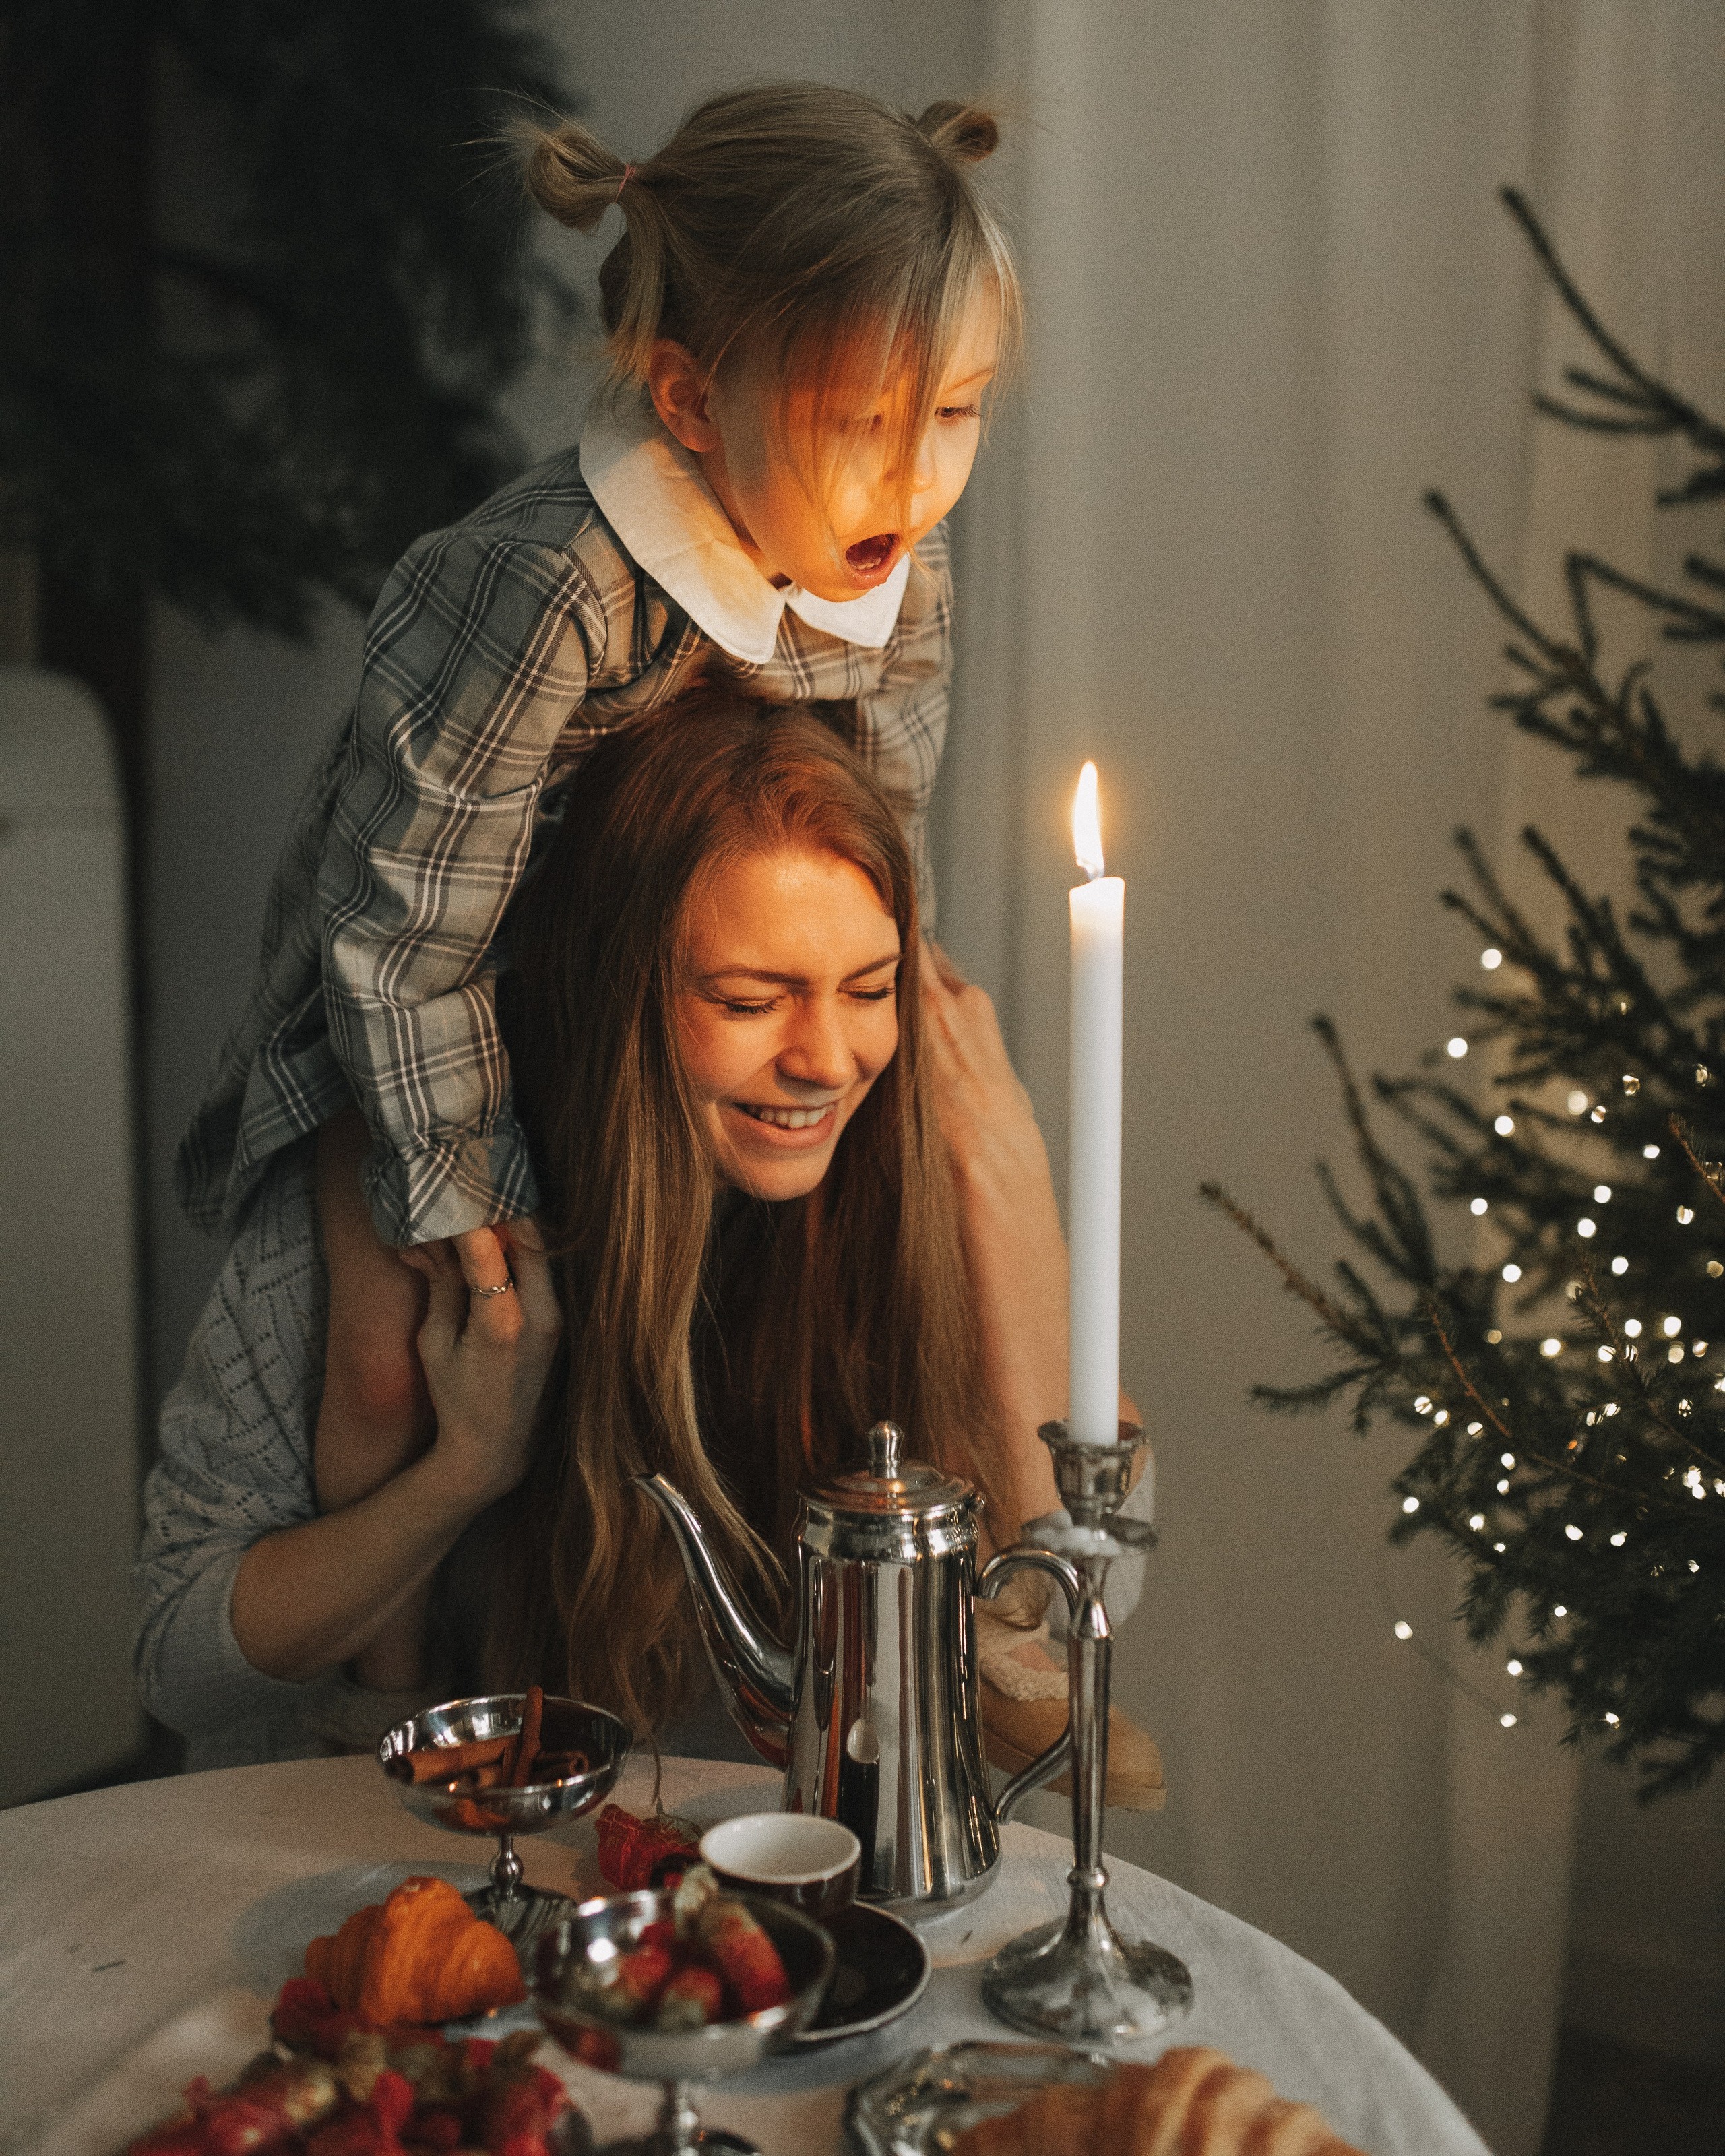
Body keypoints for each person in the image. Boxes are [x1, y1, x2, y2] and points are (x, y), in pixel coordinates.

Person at [171, 82, 1019, 1692]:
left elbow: (873, 827)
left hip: (657, 1019)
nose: (915, 480)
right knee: (396, 1343)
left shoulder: (898, 578)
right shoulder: (543, 584)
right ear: (691, 400)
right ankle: (384, 1694)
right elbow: (401, 924)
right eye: (861, 423)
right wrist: (468, 1187)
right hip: (417, 1017)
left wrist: (860, 1002)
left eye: (959, 414)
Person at [139, 697, 1159, 1793]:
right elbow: (179, 1664)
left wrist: (1018, 1217)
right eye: (750, 1000)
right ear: (614, 995)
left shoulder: (912, 1176)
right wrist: (463, 1471)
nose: (827, 1059)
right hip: (411, 1839)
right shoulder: (418, 1213)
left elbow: (1091, 1599)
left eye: (869, 989)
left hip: (770, 1856)